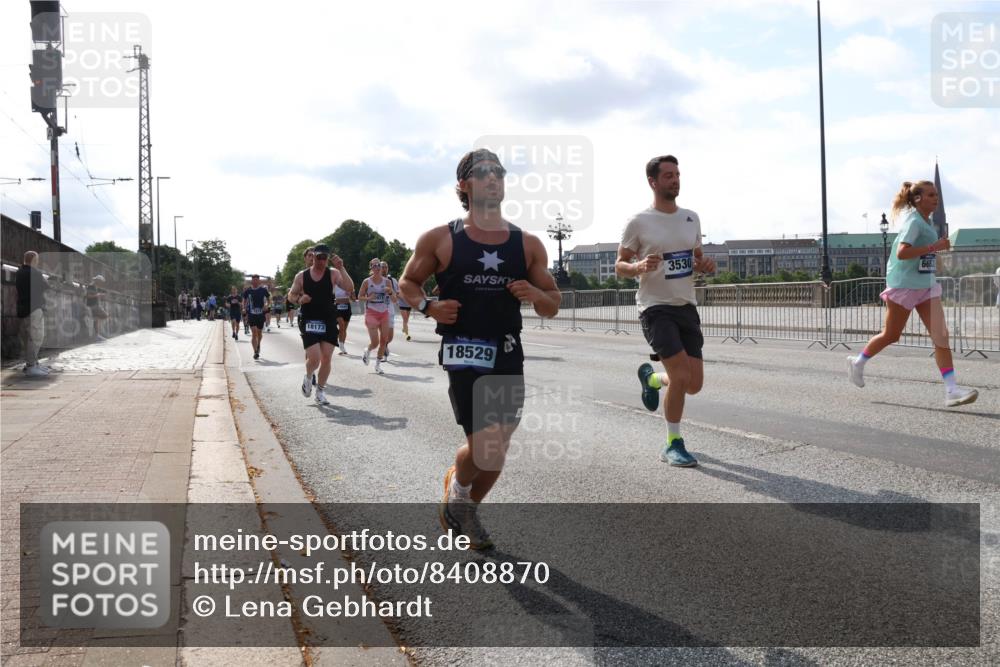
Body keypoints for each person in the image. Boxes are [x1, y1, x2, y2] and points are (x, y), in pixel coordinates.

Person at [399, 148, 560, 549]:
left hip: (507, 350)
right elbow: (407, 283)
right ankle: (460, 501)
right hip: (465, 350)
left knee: (498, 447)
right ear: (463, 186)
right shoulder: (441, 238)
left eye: (499, 173)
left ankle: (461, 502)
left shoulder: (527, 244)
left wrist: (535, 291)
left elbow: (553, 304)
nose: (493, 178)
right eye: (483, 173)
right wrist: (429, 306)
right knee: (487, 443)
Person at [616, 154, 716, 467]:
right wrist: (638, 266)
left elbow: (697, 258)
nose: (675, 180)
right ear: (653, 182)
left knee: (693, 384)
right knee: (682, 374)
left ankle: (654, 381)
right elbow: (620, 266)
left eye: (677, 174)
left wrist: (705, 265)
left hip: (686, 305)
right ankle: (673, 442)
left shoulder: (691, 218)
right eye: (669, 175)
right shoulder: (638, 222)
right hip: (655, 308)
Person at [848, 180, 978, 407]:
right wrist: (934, 248)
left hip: (926, 285)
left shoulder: (928, 223)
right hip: (905, 284)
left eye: (936, 194)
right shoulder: (913, 221)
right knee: (891, 335)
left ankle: (952, 390)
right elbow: (902, 253)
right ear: (917, 199)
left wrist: (934, 258)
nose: (935, 198)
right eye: (930, 195)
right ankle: (858, 363)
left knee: (941, 336)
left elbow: (924, 254)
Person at [287, 244, 355, 406]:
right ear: (313, 256)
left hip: (328, 319)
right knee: (315, 358)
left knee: (326, 358)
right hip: (309, 319)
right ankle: (309, 376)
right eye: (318, 257)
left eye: (325, 258)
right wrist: (298, 300)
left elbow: (349, 288)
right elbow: (291, 295)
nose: (321, 261)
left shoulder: (333, 273)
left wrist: (342, 268)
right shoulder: (302, 276)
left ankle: (320, 392)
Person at [358, 258, 396, 375]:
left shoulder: (387, 282)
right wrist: (369, 298)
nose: (377, 267)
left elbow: (394, 300)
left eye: (378, 265)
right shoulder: (367, 282)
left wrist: (390, 292)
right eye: (374, 266)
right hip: (371, 313)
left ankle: (378, 365)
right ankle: (368, 350)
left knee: (384, 340)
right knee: (375, 342)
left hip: (384, 313)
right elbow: (359, 297)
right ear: (371, 268)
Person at [16, 251, 49, 377]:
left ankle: (33, 364)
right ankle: (31, 366)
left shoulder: (19, 272)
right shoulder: (35, 272)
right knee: (36, 337)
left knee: (27, 338)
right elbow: (46, 286)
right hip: (34, 308)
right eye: (37, 259)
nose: (38, 262)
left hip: (22, 308)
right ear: (34, 260)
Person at [243, 275, 270, 360]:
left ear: (259, 281)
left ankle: (258, 344)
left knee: (259, 333)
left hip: (260, 314)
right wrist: (244, 308)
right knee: (254, 333)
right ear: (252, 281)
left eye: (256, 280)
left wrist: (266, 305)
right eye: (253, 280)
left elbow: (269, 299)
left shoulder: (263, 290)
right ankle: (255, 352)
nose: (255, 282)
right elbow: (244, 300)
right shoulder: (248, 291)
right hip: (251, 314)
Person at [381, 261, 399, 358]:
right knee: (383, 333)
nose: (384, 269)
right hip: (378, 311)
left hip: (390, 310)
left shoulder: (393, 281)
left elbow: (396, 297)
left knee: (390, 337)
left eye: (386, 267)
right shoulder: (374, 280)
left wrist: (391, 293)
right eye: (382, 267)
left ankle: (384, 345)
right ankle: (382, 351)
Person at [85, 275, 110, 341]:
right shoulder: (91, 286)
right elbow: (88, 296)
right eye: (100, 281)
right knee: (105, 315)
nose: (101, 283)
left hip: (94, 305)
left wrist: (99, 295)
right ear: (97, 280)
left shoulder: (94, 286)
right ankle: (97, 334)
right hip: (93, 306)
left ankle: (97, 336)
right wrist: (98, 295)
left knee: (96, 320)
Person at [334, 283, 354, 355]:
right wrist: (336, 300)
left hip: (347, 308)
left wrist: (351, 294)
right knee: (341, 326)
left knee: (344, 329)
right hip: (337, 307)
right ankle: (341, 347)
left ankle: (342, 345)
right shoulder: (334, 284)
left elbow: (354, 299)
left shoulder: (348, 285)